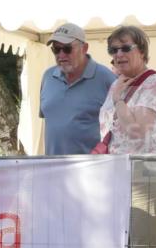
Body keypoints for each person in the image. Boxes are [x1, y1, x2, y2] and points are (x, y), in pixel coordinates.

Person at [98, 25, 156, 248]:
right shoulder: (119, 85)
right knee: (120, 247)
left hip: (143, 170)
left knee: (144, 245)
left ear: (141, 49)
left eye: (125, 48)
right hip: (115, 170)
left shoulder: (151, 82)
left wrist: (120, 99)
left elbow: (137, 129)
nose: (118, 55)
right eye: (113, 50)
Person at [39, 23, 116, 155]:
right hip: (52, 169)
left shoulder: (106, 78)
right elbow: (48, 123)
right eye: (56, 50)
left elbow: (121, 130)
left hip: (92, 170)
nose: (61, 55)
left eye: (67, 49)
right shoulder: (48, 77)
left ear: (84, 48)